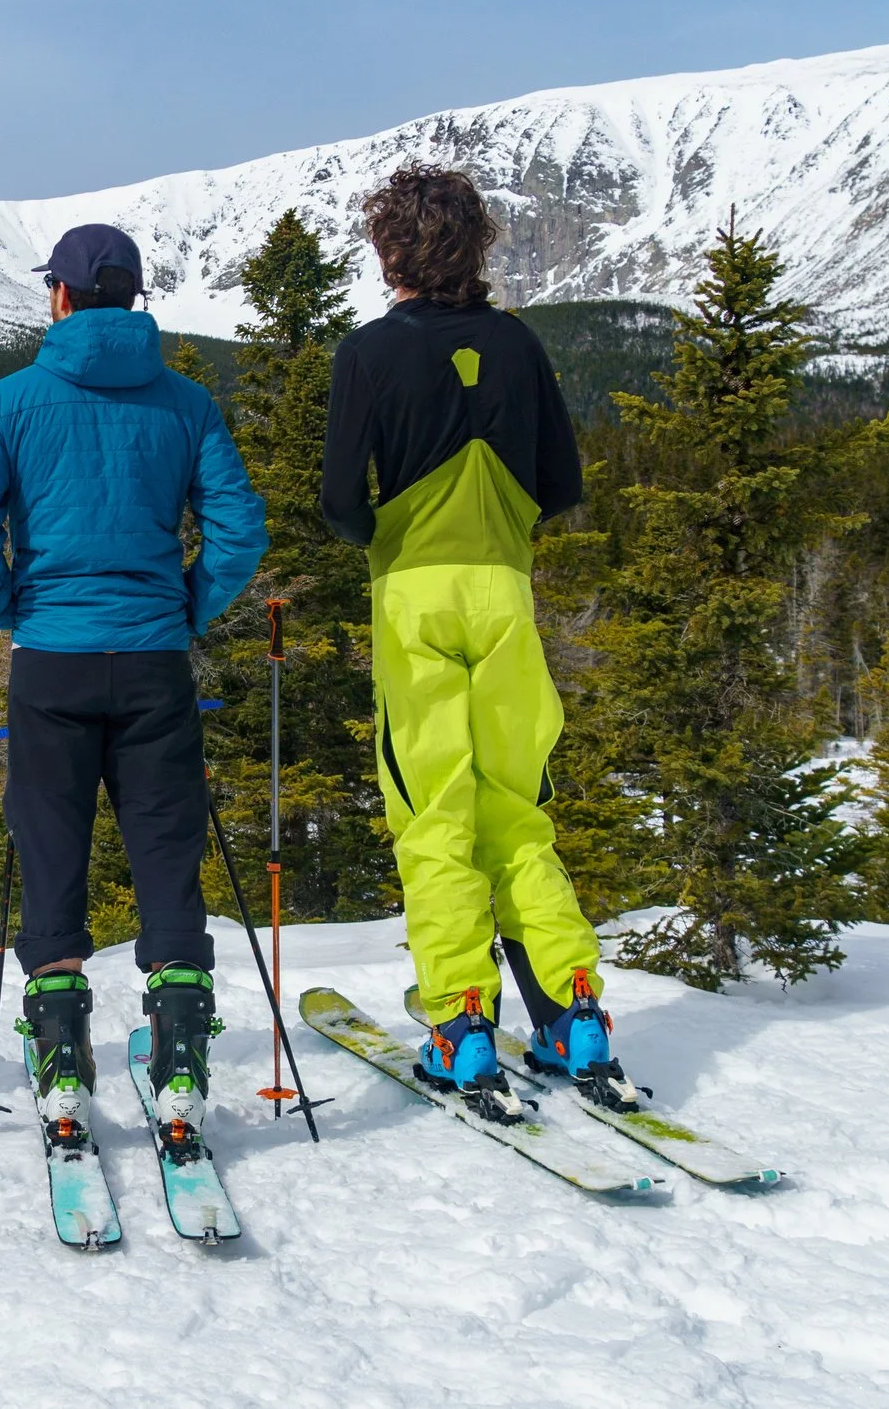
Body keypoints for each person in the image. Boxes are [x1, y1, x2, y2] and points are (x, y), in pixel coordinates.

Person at [0, 224, 267, 1162]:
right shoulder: (187, 403)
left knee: (51, 847)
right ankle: (177, 1063)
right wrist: (189, 605)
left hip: (52, 657)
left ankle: (63, 1060)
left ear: (63, 297)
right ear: (132, 296)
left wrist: (12, 605)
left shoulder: (11, 401)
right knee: (167, 852)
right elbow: (239, 523)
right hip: (156, 655)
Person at [319, 164, 622, 1119]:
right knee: (517, 811)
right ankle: (575, 1014)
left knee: (433, 813)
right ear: (475, 245)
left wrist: (395, 545)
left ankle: (459, 1024)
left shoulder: (366, 353)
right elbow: (563, 484)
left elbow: (338, 502)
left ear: (389, 250)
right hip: (506, 593)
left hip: (412, 599)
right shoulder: (520, 343)